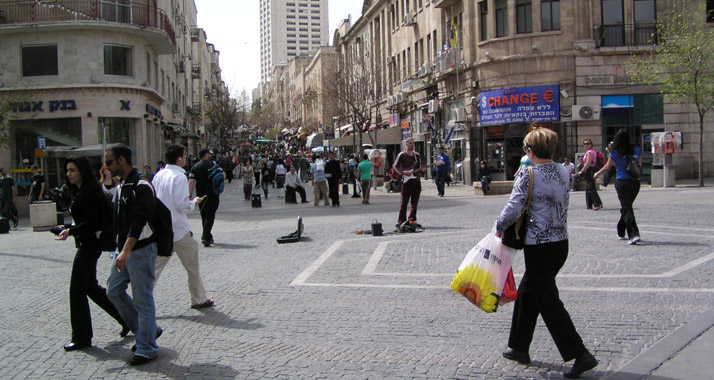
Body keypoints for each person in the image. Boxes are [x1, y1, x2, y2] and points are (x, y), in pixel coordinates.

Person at [496, 128, 598, 379]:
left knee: (549, 302)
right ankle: (519, 347)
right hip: (560, 243)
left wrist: (497, 226)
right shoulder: (564, 171)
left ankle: (580, 353)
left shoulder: (528, 174)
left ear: (530, 151)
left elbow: (513, 208)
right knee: (528, 293)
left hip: (538, 246)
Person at [54, 156, 128, 352]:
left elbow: (93, 222)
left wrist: (71, 230)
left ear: (82, 171)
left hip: (90, 245)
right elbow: (85, 221)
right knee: (91, 288)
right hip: (87, 243)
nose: (68, 174)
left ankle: (81, 337)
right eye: (67, 170)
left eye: (72, 170)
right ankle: (126, 318)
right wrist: (68, 227)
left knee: (76, 290)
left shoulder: (89, 191)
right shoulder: (81, 191)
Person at [104, 144, 162, 366]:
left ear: (121, 160)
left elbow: (138, 222)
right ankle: (148, 330)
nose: (106, 167)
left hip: (141, 250)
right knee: (114, 290)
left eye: (109, 162)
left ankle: (147, 347)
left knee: (142, 298)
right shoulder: (122, 185)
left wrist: (126, 251)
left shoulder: (141, 185)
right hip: (125, 250)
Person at [152, 144, 215, 309]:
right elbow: (181, 204)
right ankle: (198, 298)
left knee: (155, 268)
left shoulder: (158, 175)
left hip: (161, 229)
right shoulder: (179, 177)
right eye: (185, 155)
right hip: (178, 230)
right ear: (179, 158)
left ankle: (142, 297)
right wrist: (193, 202)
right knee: (192, 266)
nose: (186, 158)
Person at [594, 130, 642, 245]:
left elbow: (607, 167)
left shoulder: (615, 152)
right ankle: (621, 230)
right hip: (635, 182)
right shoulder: (636, 149)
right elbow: (640, 164)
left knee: (627, 208)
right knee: (627, 207)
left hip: (622, 182)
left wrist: (597, 174)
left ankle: (634, 234)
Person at [189, 149, 224, 247]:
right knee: (210, 215)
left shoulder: (195, 167)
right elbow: (223, 175)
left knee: (204, 215)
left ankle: (208, 235)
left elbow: (191, 182)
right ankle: (205, 236)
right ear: (206, 154)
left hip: (200, 195)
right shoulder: (214, 165)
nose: (210, 155)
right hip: (213, 194)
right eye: (209, 153)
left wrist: (189, 195)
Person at [394, 138, 426, 228]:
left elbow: (420, 168)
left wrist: (423, 170)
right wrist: (403, 172)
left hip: (416, 181)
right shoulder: (402, 155)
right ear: (406, 144)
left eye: (413, 143)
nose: (412, 145)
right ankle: (401, 220)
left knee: (414, 203)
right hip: (407, 182)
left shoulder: (417, 156)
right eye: (410, 143)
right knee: (404, 203)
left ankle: (412, 219)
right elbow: (395, 166)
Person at [577, 138, 603, 210]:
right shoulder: (591, 151)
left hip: (590, 170)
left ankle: (597, 203)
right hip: (591, 170)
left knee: (591, 187)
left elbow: (588, 163)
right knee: (588, 187)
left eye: (588, 143)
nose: (586, 145)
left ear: (591, 144)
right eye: (585, 144)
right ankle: (589, 204)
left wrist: (582, 171)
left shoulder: (590, 152)